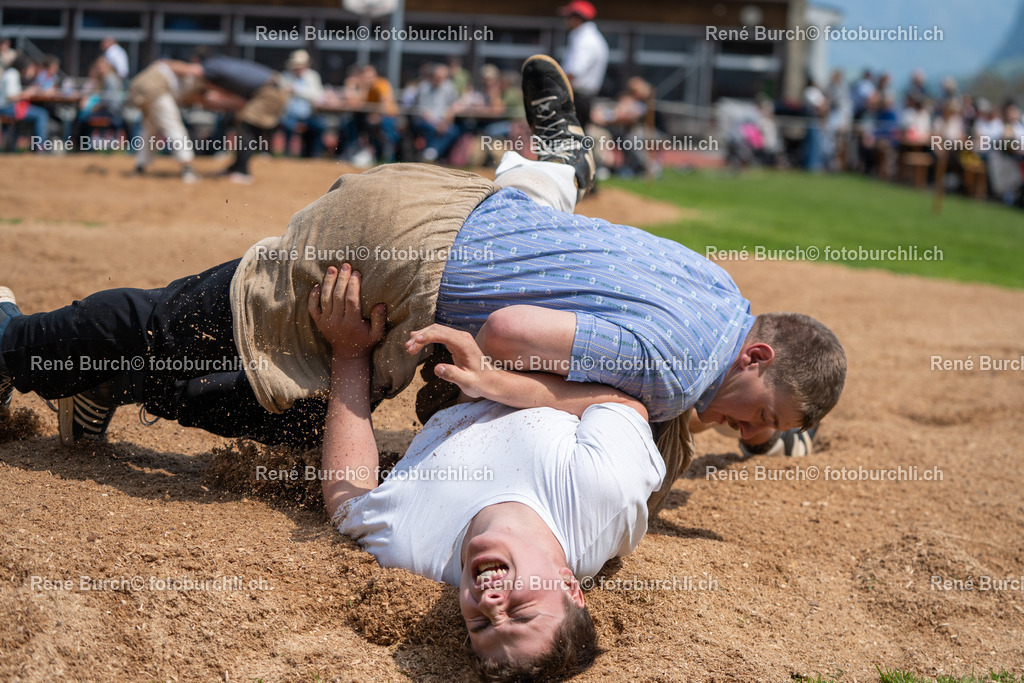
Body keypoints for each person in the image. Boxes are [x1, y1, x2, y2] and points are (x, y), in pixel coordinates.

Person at [0, 56, 843, 474]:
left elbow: (661, 357)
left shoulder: (720, 289)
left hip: (457, 204)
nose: (739, 427)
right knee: (215, 352)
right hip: (399, 262)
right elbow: (512, 331)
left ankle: (560, 165)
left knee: (309, 399)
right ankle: (16, 339)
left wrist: (752, 422)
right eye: (755, 414)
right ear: (758, 356)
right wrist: (594, 394)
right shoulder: (671, 369)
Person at [309, 266, 656, 678]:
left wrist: (349, 353)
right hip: (559, 366)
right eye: (522, 614)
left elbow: (347, 502)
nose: (491, 606)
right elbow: (625, 406)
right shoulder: (604, 497)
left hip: (442, 383)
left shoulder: (411, 550)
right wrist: (493, 381)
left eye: (480, 625)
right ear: (569, 587)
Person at [193, 51, 290, 183]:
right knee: (243, 123)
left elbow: (193, 71)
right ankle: (236, 167)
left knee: (246, 123)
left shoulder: (211, 65)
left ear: (198, 59)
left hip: (270, 91)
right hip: (269, 89)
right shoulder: (222, 63)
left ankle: (242, 172)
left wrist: (166, 65)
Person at [127, 58, 203, 183]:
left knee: (149, 129)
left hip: (138, 86)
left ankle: (140, 166)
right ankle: (187, 168)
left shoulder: (181, 72)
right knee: (173, 127)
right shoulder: (193, 72)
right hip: (157, 88)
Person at [558, 0, 607, 129]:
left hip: (578, 98)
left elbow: (573, 71)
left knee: (570, 140)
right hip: (580, 96)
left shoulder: (585, 39)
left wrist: (557, 93)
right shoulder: (589, 37)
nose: (566, 20)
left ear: (577, 18)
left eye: (568, 17)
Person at [279, 49, 326, 158]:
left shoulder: (313, 76)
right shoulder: (284, 77)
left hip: (309, 116)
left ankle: (312, 155)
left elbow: (318, 96)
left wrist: (298, 91)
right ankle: (286, 155)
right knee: (287, 125)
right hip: (288, 115)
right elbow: (281, 95)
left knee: (320, 126)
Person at [412, 63, 461, 162]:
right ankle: (432, 154)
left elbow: (453, 106)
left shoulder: (449, 87)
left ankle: (431, 153)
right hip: (426, 121)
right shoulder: (423, 87)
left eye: (442, 78)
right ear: (432, 76)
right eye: (437, 77)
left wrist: (446, 122)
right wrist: (437, 124)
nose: (439, 80)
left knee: (453, 131)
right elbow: (422, 110)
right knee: (431, 130)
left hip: (443, 121)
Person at [0, 55, 51, 149]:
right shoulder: (12, 74)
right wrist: (28, 92)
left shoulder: (12, 73)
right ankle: (40, 146)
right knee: (41, 114)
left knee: (36, 114)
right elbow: (10, 97)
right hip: (6, 108)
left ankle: (16, 147)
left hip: (7, 107)